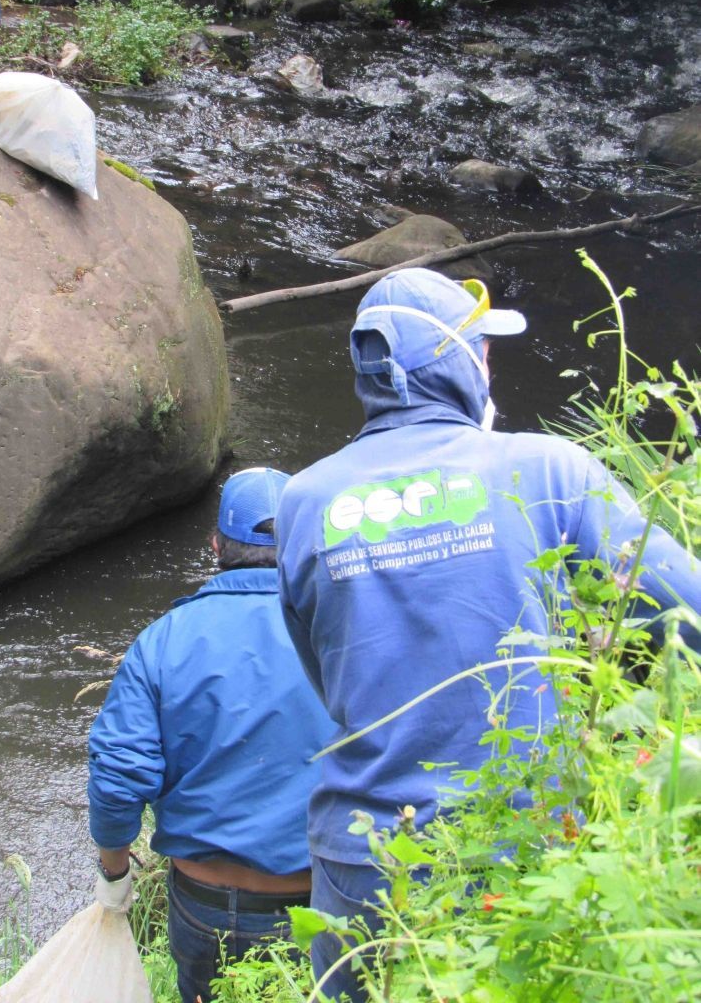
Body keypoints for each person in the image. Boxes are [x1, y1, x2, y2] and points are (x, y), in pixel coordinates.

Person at [276, 267, 699, 1002]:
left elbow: (326, 669)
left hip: (359, 855)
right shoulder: (546, 467)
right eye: (481, 348)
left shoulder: (303, 500)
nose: (487, 364)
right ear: (449, 362)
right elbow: (685, 609)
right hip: (514, 850)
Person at [87, 468, 333, 1003]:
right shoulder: (344, 630)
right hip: (322, 903)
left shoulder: (162, 642)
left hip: (204, 907)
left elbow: (116, 777)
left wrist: (115, 877)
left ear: (216, 544)